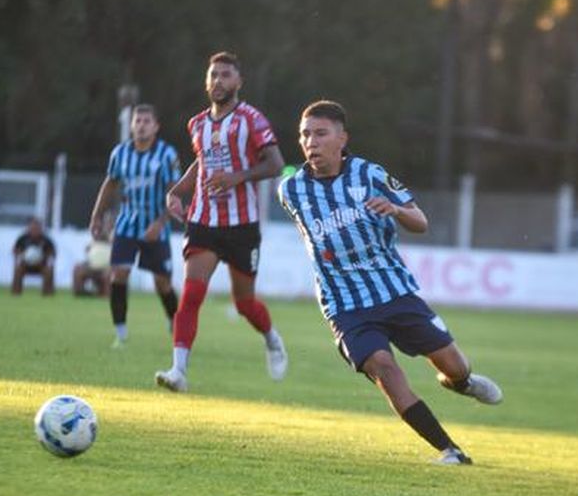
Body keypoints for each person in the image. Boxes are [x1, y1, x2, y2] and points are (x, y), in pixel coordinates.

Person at [278, 101, 502, 464]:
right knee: (384, 368)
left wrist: (396, 210)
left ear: (342, 138)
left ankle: (461, 383)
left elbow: (420, 221)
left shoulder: (369, 174)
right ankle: (450, 450)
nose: (311, 142)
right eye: (305, 134)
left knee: (454, 367)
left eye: (320, 133)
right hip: (345, 305)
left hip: (394, 291)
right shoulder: (291, 191)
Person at [154, 52, 287, 392]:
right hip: (203, 221)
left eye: (226, 75)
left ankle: (272, 339)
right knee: (192, 293)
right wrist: (176, 192)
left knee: (244, 304)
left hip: (242, 226)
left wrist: (237, 177)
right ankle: (178, 371)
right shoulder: (197, 123)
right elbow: (201, 163)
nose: (218, 81)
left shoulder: (251, 120)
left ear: (238, 82)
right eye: (213, 75)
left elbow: (275, 164)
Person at [88, 103, 183, 347]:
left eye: (146, 121)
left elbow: (175, 192)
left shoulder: (167, 155)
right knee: (119, 275)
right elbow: (110, 184)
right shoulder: (120, 153)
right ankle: (120, 334)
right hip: (127, 224)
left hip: (156, 225)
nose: (141, 126)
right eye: (137, 121)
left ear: (156, 126)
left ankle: (175, 322)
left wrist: (161, 223)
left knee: (162, 282)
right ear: (131, 126)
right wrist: (96, 215)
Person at [11, 218, 56, 296]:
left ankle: (47, 294)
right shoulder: (22, 238)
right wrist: (22, 255)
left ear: (41, 228)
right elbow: (15, 251)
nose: (35, 229)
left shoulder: (46, 239)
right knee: (18, 269)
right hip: (25, 264)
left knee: (48, 270)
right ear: (28, 228)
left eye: (37, 228)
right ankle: (16, 293)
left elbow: (53, 253)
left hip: (41, 265)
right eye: (32, 227)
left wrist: (44, 257)